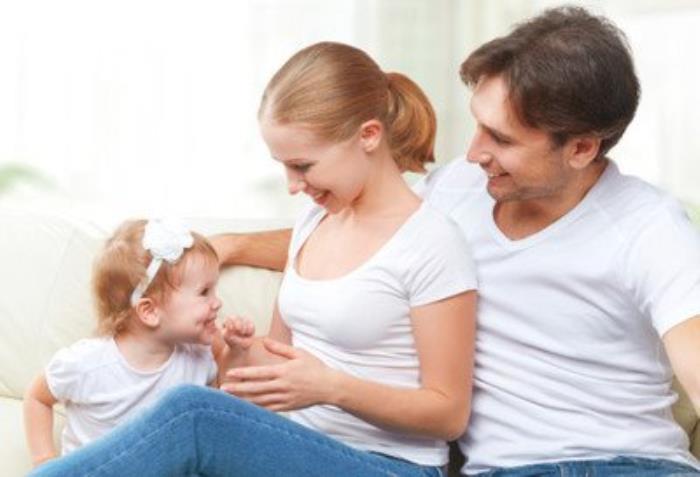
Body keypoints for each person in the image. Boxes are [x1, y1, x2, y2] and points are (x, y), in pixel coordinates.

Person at [212, 6, 700, 477]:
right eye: (478, 124)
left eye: (501, 138)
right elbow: (360, 243)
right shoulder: (456, 191)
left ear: (581, 148)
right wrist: (229, 247)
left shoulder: (649, 226)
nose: (473, 152)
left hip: (635, 464)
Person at [29, 42, 478, 476]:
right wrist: (236, 351)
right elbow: (278, 360)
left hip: (388, 464)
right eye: (283, 165)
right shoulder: (313, 222)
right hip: (291, 445)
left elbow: (449, 413)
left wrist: (332, 387)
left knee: (193, 414)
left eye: (303, 165)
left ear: (369, 136)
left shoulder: (432, 242)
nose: (292, 185)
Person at [23, 218, 251, 467]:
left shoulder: (197, 355)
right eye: (204, 292)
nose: (217, 302)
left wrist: (236, 352)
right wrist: (44, 459)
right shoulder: (87, 364)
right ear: (149, 312)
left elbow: (220, 402)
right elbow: (37, 397)